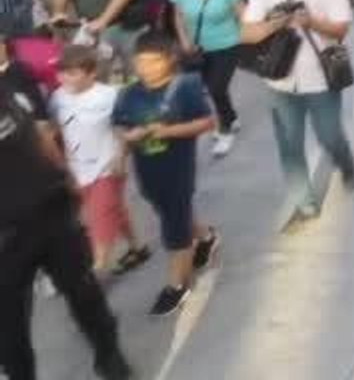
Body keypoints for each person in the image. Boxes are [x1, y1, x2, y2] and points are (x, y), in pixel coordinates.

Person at [0, 37, 133, 380]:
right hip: (5, 239)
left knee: (85, 295)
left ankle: (109, 356)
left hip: (51, 212)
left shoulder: (7, 87)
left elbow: (38, 133)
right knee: (10, 331)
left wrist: (65, 175)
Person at [240, 0, 354, 222]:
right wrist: (275, 24)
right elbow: (247, 33)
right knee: (290, 145)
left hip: (321, 79)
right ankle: (304, 200)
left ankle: (345, 164)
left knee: (330, 135)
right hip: (280, 82)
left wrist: (311, 22)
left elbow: (341, 29)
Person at [111, 31, 220, 316]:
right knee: (172, 211)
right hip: (147, 172)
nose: (146, 68)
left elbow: (207, 122)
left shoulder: (186, 86)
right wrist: (122, 152)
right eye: (141, 62)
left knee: (174, 228)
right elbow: (120, 124)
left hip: (177, 169)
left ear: (170, 59)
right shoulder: (129, 92)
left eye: (153, 62)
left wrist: (167, 131)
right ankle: (206, 237)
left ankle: (177, 286)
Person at [51, 45, 150, 274]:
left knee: (99, 218)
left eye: (73, 73)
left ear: (92, 73)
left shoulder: (109, 96)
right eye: (62, 72)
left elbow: (124, 128)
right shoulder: (58, 97)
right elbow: (56, 131)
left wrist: (120, 158)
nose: (65, 78)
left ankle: (96, 269)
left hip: (107, 167)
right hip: (78, 168)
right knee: (113, 208)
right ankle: (137, 247)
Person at [170, 0, 245, 158]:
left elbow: (243, 15)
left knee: (216, 87)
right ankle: (230, 115)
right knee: (208, 89)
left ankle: (224, 131)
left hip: (227, 45)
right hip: (197, 49)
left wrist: (250, 39)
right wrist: (184, 41)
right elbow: (179, 16)